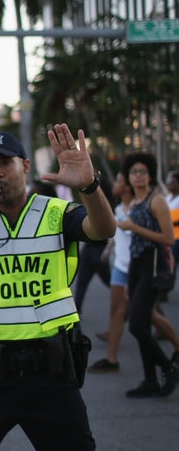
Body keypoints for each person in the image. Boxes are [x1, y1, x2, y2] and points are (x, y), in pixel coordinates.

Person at [0, 127, 116, 450]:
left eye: (4, 164)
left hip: (51, 375)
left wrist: (90, 185)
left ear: (25, 166)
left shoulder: (56, 214)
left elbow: (103, 229)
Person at [88, 172, 179, 373]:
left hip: (135, 268)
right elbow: (118, 232)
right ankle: (112, 358)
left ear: (127, 187)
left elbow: (154, 239)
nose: (116, 183)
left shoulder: (139, 208)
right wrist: (108, 248)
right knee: (120, 312)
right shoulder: (121, 208)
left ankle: (168, 355)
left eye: (120, 181)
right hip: (121, 267)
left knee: (144, 316)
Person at [117, 152, 179, 397]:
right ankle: (150, 380)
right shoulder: (135, 202)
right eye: (134, 172)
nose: (138, 176)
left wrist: (134, 227)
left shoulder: (157, 201)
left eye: (143, 171)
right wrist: (129, 280)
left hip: (154, 265)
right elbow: (135, 244)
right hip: (137, 265)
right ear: (129, 176)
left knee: (137, 326)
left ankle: (168, 368)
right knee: (141, 321)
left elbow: (168, 238)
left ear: (150, 174)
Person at [72, 176, 113, 313]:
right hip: (89, 247)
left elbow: (109, 228)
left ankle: (127, 298)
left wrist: (108, 249)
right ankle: (76, 309)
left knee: (110, 281)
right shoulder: (89, 199)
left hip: (99, 247)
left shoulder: (103, 205)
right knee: (82, 281)